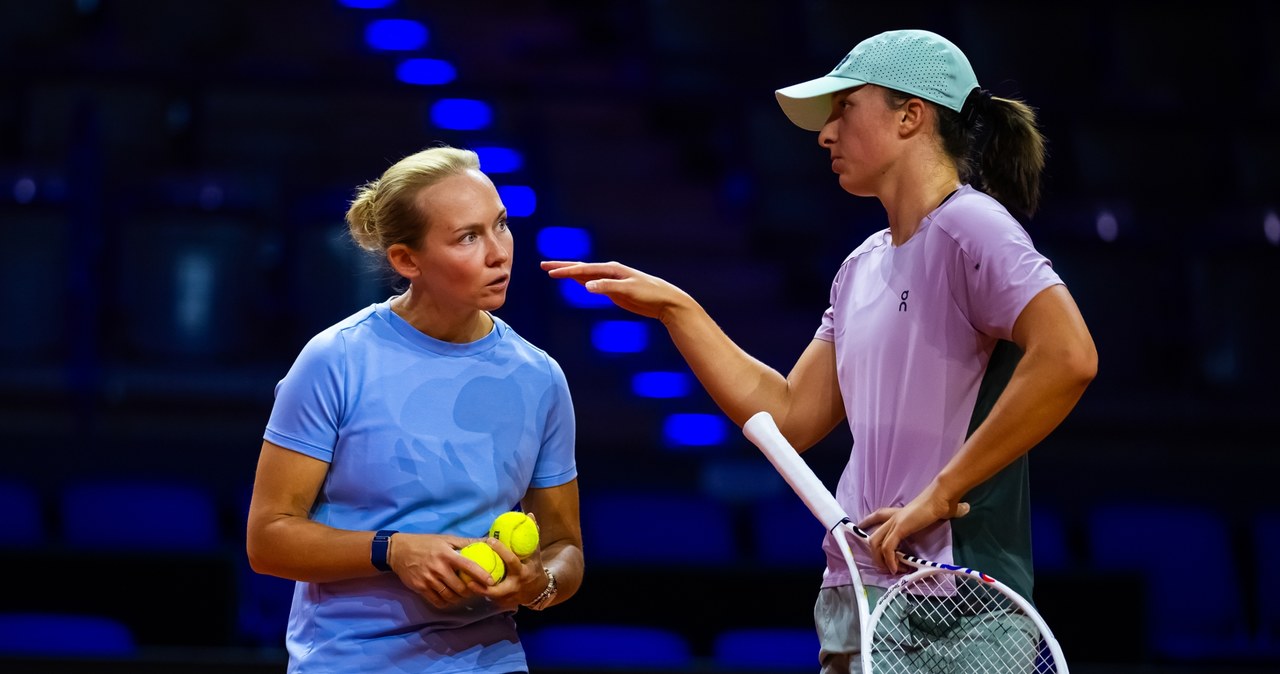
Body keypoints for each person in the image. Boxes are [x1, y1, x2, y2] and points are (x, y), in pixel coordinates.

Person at [543, 28, 1095, 673]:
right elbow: (790, 415)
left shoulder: (970, 226)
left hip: (956, 592)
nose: (825, 134)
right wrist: (677, 311)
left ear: (911, 115)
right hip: (857, 589)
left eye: (844, 109)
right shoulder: (861, 266)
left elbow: (1069, 357)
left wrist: (942, 491)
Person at [247, 145, 582, 674]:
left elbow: (566, 547)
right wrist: (393, 550)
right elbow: (268, 540)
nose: (499, 252)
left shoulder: (539, 376)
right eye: (468, 237)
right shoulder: (336, 359)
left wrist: (538, 584)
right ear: (407, 260)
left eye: (501, 225)